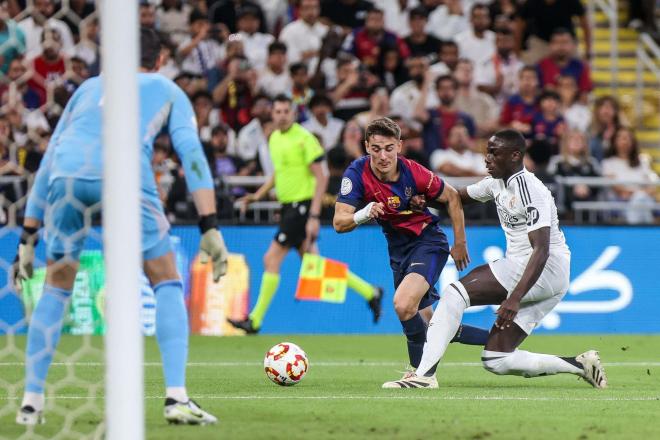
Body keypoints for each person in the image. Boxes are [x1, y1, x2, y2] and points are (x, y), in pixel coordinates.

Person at [11, 28, 227, 426]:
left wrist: (27, 235)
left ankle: (31, 402)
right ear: (159, 59)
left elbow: (48, 158)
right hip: (124, 174)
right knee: (165, 279)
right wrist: (209, 225)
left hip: (65, 178)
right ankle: (176, 398)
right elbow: (192, 154)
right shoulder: (166, 89)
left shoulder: (89, 88)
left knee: (56, 286)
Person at [383, 129, 607, 389]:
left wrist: (514, 298)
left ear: (514, 156)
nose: (486, 158)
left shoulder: (529, 189)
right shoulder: (496, 183)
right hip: (544, 276)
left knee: (455, 293)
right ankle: (580, 365)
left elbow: (541, 249)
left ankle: (424, 375)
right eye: (486, 152)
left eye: (493, 153)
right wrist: (425, 200)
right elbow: (455, 198)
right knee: (497, 358)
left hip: (542, 267)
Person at [333, 117, 490, 388]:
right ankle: (499, 337)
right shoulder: (357, 173)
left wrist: (460, 242)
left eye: (389, 148)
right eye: (376, 148)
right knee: (433, 328)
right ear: (366, 146)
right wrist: (363, 214)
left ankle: (422, 374)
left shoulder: (413, 172)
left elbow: (452, 196)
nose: (383, 156)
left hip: (427, 242)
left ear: (399, 147)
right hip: (398, 250)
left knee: (403, 304)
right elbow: (339, 223)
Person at [227, 94, 383, 334]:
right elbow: (279, 173)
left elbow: (321, 177)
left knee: (271, 259)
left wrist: (313, 215)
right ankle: (370, 292)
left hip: (302, 207)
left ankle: (255, 320)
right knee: (314, 265)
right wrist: (257, 195)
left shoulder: (304, 138)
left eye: (285, 111)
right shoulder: (275, 139)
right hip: (289, 207)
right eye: (276, 111)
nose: (280, 116)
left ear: (293, 113)